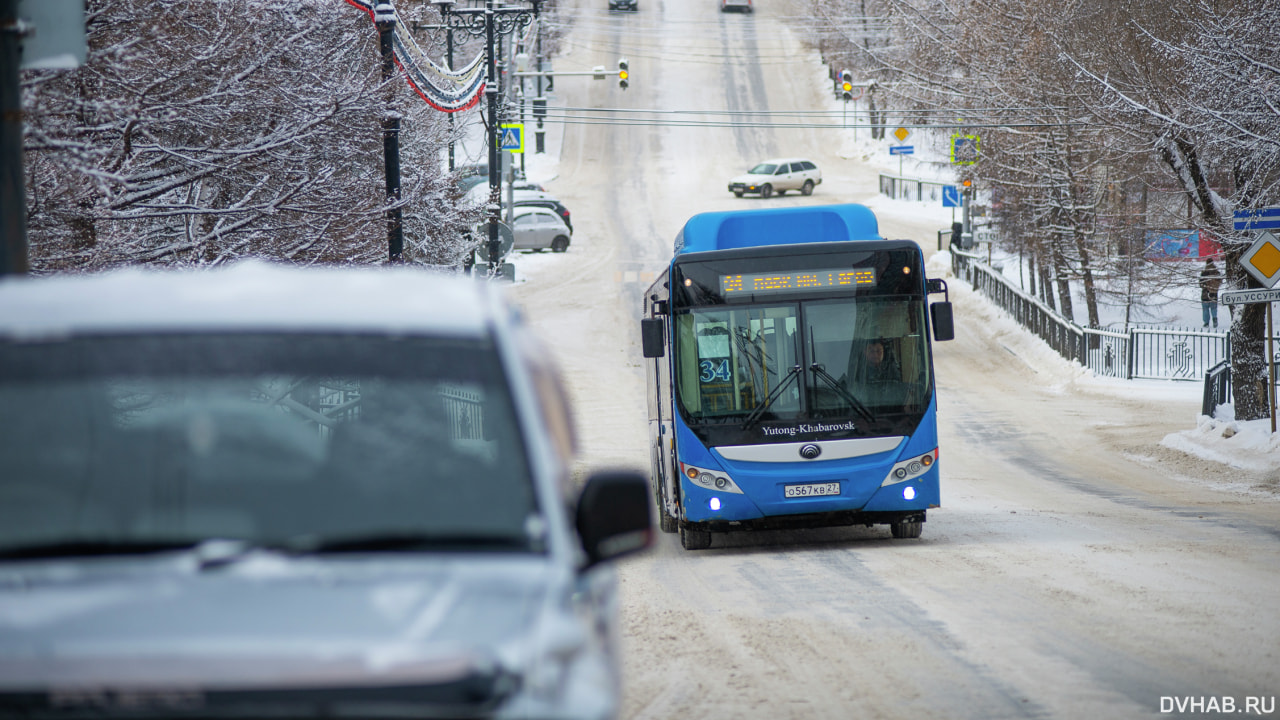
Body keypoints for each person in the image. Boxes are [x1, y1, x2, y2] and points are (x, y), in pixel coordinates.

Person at [1199, 259, 1221, 328]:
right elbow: (1219, 282)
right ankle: (1214, 319)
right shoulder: (1216, 272)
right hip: (1214, 293)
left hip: (1205, 294)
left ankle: (1206, 322)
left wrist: (1206, 287)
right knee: (1213, 308)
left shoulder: (1204, 273)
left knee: (1205, 308)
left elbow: (1200, 284)